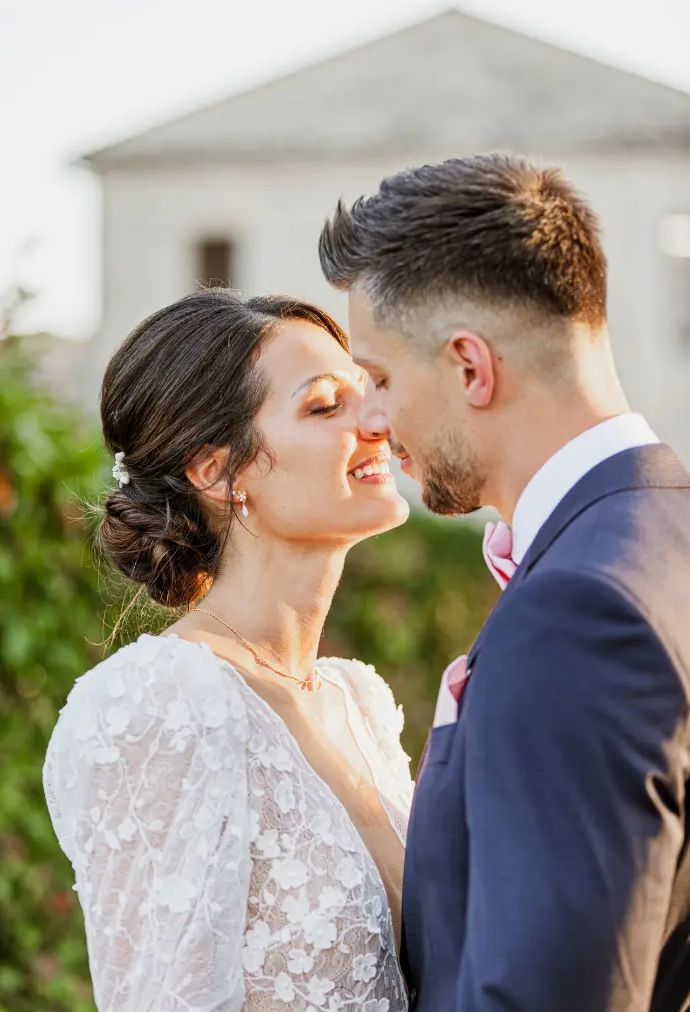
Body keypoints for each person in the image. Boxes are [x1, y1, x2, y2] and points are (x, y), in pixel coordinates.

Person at [319, 153, 690, 1012]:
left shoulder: (580, 609)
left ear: (469, 367)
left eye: (377, 377)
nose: (368, 421)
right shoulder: (664, 533)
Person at [43, 290, 412, 1012]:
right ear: (218, 471)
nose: (375, 420)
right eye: (324, 405)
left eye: (366, 392)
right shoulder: (160, 703)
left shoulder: (356, 699)